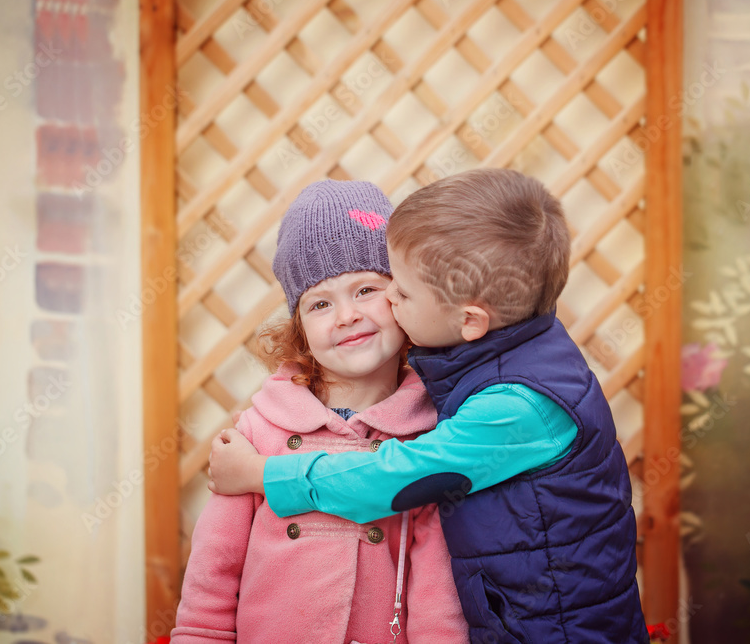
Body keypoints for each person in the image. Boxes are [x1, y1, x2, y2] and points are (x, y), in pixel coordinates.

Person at [208, 168, 650, 644]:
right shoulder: (508, 358)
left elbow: (387, 478)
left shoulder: (515, 406)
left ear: (469, 320)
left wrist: (258, 474)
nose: (388, 301)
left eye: (395, 289)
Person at [171, 180, 468, 644]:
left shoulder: (428, 436)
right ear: (300, 329)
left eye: (366, 289)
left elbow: (437, 597)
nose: (346, 315)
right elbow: (211, 582)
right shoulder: (258, 434)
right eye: (321, 303)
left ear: (403, 298)